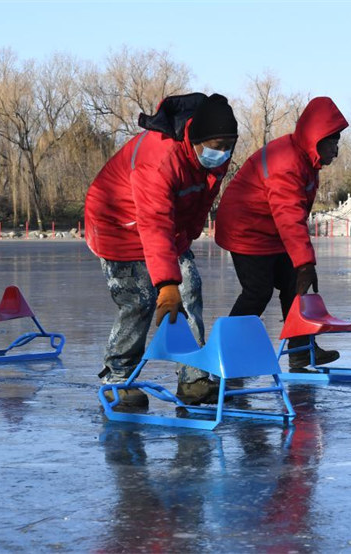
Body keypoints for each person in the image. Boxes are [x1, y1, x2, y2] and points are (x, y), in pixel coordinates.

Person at [85, 93, 238, 407]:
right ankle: (118, 378)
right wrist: (166, 286)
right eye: (215, 147)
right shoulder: (159, 159)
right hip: (116, 223)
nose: (221, 154)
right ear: (193, 139)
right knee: (140, 300)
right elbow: (152, 223)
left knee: (190, 287)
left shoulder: (214, 157)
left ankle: (194, 378)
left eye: (227, 147)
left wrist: (187, 239)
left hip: (168, 227)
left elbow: (200, 201)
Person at [215, 96, 349, 370]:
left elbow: (292, 215)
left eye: (338, 141)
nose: (336, 149)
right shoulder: (287, 162)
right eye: (332, 141)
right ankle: (225, 353)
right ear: (316, 137)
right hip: (246, 228)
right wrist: (305, 262)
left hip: (270, 228)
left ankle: (301, 350)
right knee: (257, 291)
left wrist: (302, 266)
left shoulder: (306, 161)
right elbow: (289, 217)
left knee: (295, 286)